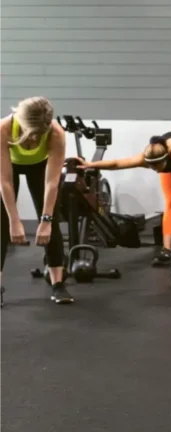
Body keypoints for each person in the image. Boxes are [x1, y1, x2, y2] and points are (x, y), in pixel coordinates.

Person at [77, 133, 171, 266]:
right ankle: (166, 249)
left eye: (157, 167)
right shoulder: (146, 157)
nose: (155, 171)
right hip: (169, 158)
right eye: (152, 167)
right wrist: (90, 164)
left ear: (165, 161)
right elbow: (117, 164)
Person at [0, 96, 73, 307]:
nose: (32, 140)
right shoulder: (4, 129)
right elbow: (4, 181)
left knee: (52, 224)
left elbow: (52, 183)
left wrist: (46, 220)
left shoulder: (56, 134)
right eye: (29, 134)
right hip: (9, 168)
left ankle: (58, 283)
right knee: (1, 224)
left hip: (39, 168)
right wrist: (15, 221)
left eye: (38, 135)